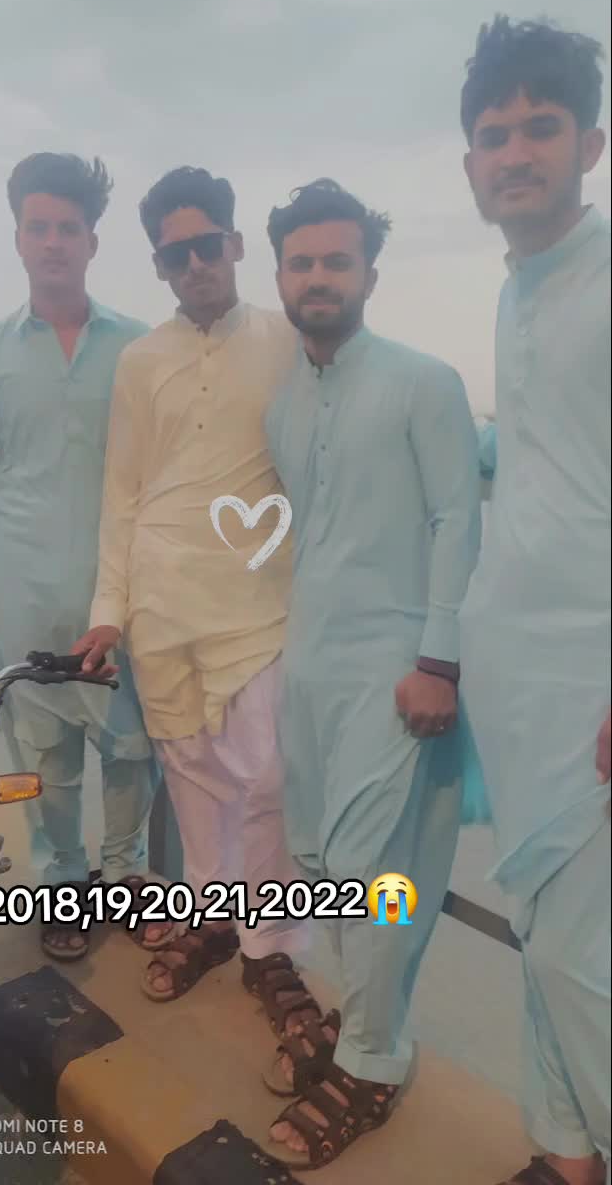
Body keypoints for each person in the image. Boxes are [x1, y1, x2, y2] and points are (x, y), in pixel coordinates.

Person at [261, 178, 482, 1168]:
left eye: (336, 261)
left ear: (369, 274)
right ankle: (359, 1024)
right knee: (322, 866)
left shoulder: (423, 381)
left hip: (396, 675)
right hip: (310, 668)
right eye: (301, 262)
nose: (319, 277)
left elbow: (457, 518)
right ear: (281, 275)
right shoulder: (282, 406)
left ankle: (374, 1060)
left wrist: (438, 657)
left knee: (370, 873)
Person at [74, 167, 322, 1037]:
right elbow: (122, 491)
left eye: (205, 246)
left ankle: (273, 948)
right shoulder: (141, 361)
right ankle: (217, 921)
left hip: (258, 604)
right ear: (159, 265)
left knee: (268, 776)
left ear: (235, 243)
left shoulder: (288, 339)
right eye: (173, 255)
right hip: (160, 605)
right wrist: (108, 610)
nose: (193, 266)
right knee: (190, 779)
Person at [0, 153, 157, 962]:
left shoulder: (141, 349)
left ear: (92, 241)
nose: (54, 241)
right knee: (43, 755)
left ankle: (125, 877)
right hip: (21, 586)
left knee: (131, 749)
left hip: (120, 592)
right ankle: (62, 886)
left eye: (69, 227)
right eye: (40, 227)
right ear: (19, 239)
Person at [458, 16, 610, 1185]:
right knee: (538, 926)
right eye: (495, 134)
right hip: (519, 687)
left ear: (589, 145)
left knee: (581, 957)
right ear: (470, 162)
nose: (515, 152)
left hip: (592, 683)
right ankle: (565, 1154)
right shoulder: (517, 293)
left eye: (540, 128)